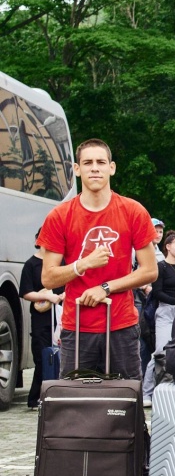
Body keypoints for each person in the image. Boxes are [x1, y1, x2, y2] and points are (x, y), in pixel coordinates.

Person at [39, 138, 158, 379]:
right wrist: (83, 264)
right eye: (88, 163)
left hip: (121, 324)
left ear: (111, 168)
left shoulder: (133, 211)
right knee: (73, 399)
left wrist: (105, 288)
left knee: (126, 397)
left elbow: (150, 271)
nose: (94, 168)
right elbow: (48, 278)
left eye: (101, 162)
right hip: (77, 325)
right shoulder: (59, 216)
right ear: (77, 169)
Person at [19, 230, 64, 408]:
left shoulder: (61, 263)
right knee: (42, 357)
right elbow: (25, 292)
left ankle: (58, 394)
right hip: (40, 320)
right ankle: (37, 397)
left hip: (60, 317)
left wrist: (61, 296)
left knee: (61, 357)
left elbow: (70, 285)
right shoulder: (31, 264)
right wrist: (46, 296)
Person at [141, 231, 175, 405]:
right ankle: (146, 393)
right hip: (165, 311)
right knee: (160, 352)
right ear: (168, 247)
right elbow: (157, 292)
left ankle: (173, 389)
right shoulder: (160, 266)